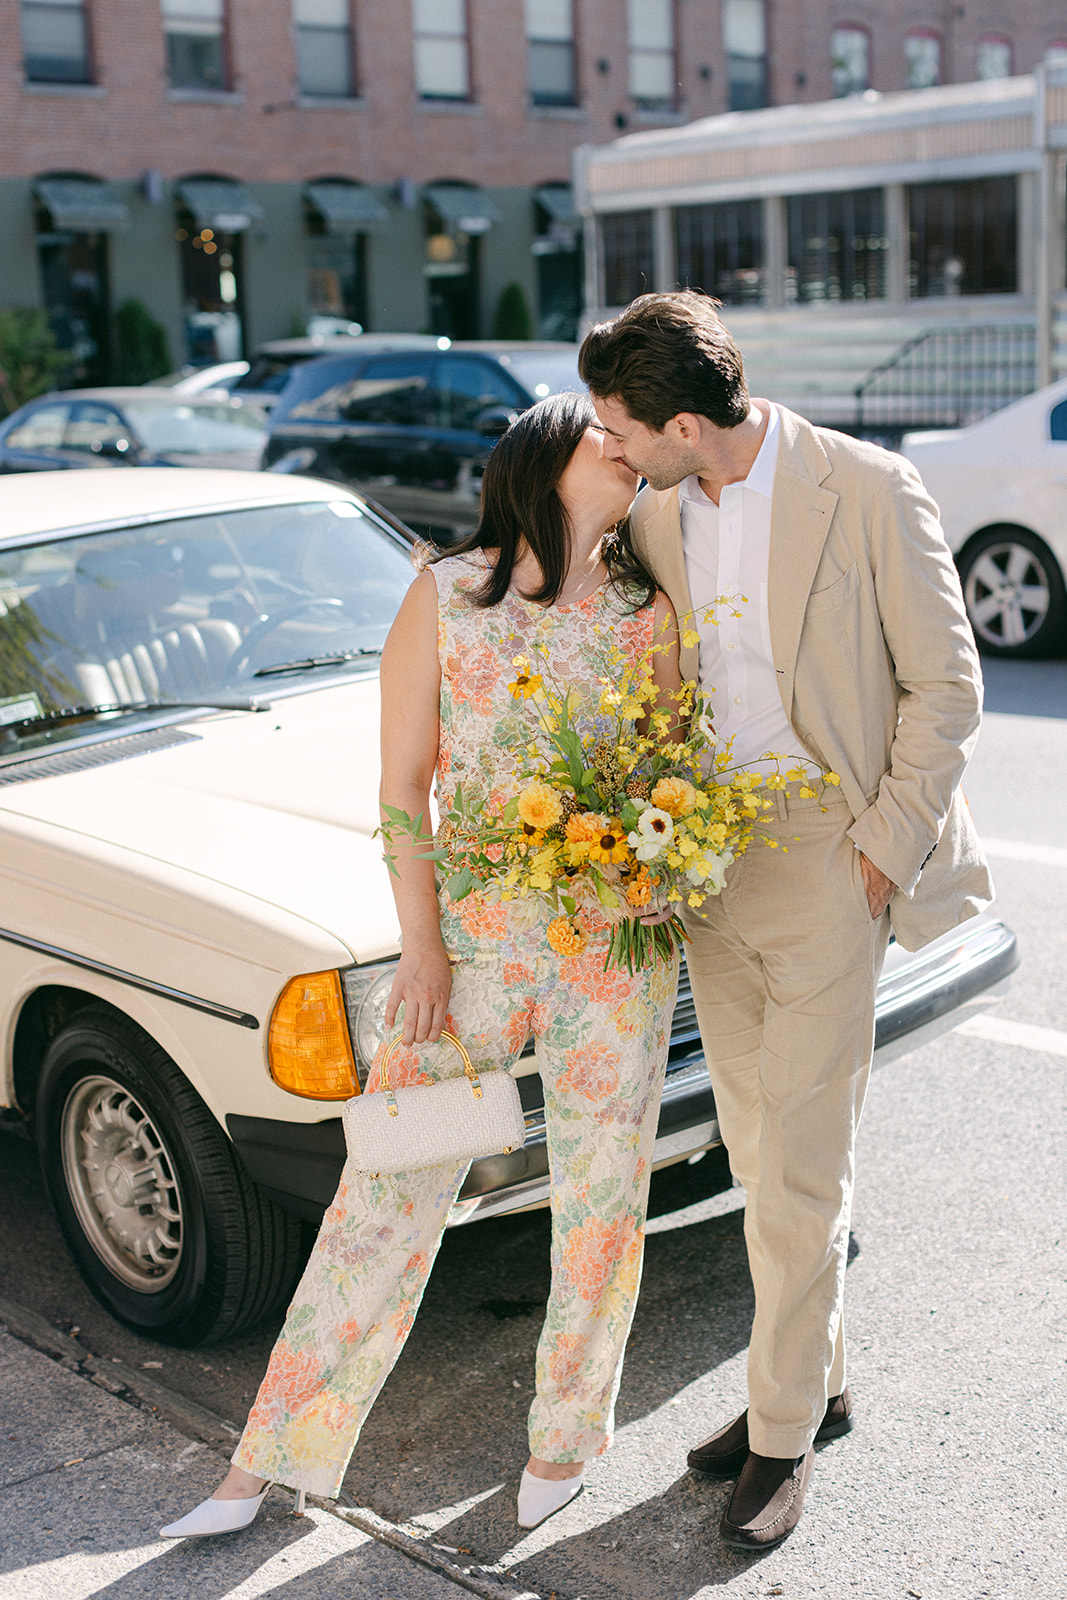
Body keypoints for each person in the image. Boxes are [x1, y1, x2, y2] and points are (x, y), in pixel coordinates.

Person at [160, 391, 685, 1540]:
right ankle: (268, 1456)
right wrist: (424, 947)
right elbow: (403, 787)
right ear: (544, 463)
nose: (629, 454)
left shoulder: (645, 610)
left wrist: (655, 862)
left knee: (602, 1200)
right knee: (383, 1198)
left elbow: (661, 769)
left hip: (611, 953)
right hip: (473, 952)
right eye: (605, 440)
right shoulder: (446, 594)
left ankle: (565, 1435)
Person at [577, 291, 993, 1552]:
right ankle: (811, 1377)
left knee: (799, 1169)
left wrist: (876, 849)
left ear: (688, 423)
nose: (612, 450)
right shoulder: (654, 511)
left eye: (623, 429)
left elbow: (946, 686)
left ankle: (777, 1437)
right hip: (711, 863)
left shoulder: (867, 488)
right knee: (755, 1152)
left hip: (831, 857)